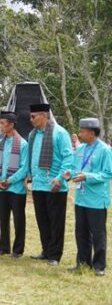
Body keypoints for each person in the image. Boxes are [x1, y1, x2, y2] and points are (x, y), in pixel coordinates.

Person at [65, 118, 112, 276]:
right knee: (81, 232)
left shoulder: (104, 150)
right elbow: (73, 168)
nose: (80, 134)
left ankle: (99, 266)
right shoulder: (79, 149)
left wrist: (88, 176)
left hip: (97, 200)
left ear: (92, 133)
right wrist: (68, 174)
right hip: (80, 198)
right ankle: (83, 262)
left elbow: (107, 174)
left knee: (98, 233)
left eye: (82, 131)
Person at [27, 103, 73, 266]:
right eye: (30, 116)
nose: (31, 119)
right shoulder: (33, 134)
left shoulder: (59, 133)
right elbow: (30, 157)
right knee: (43, 220)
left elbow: (68, 158)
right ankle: (46, 250)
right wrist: (28, 175)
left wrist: (60, 179)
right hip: (38, 184)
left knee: (55, 222)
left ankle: (54, 255)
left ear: (45, 115)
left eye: (34, 116)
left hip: (54, 185)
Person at [0, 111, 29, 257]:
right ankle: (3, 248)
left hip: (16, 188)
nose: (0, 126)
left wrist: (9, 181)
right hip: (1, 188)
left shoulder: (23, 144)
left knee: (19, 219)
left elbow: (25, 168)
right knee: (3, 218)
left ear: (11, 125)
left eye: (2, 123)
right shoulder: (0, 143)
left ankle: (18, 250)